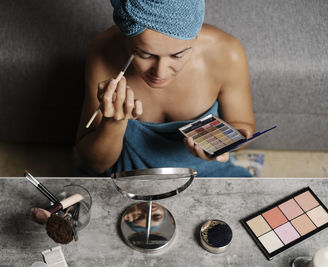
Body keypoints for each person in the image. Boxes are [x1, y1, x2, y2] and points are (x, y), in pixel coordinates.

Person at [74, 0, 255, 177]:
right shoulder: (104, 52)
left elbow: (242, 126)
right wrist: (113, 123)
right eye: (145, 54)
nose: (160, 72)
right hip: (128, 175)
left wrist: (223, 144)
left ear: (195, 37)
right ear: (125, 38)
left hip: (207, 173)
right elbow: (94, 164)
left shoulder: (226, 52)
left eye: (177, 55)